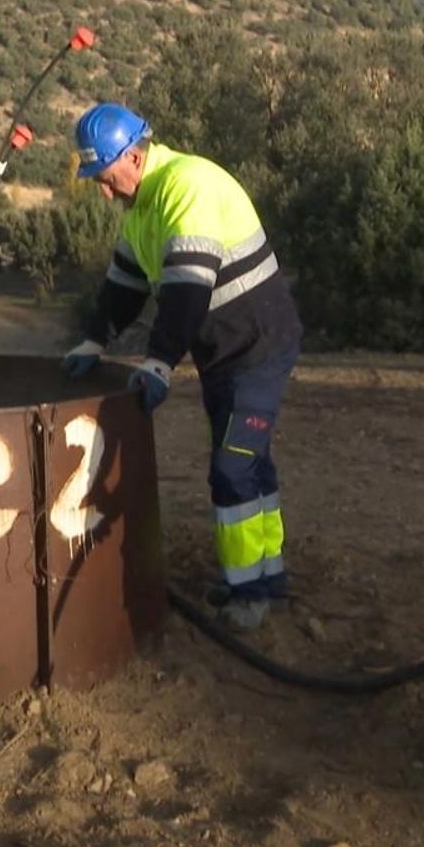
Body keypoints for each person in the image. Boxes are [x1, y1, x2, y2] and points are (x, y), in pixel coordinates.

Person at [61, 103, 302, 632]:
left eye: (106, 179)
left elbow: (187, 292)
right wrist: (92, 340)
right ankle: (268, 574)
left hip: (256, 349)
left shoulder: (185, 186)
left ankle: (248, 594)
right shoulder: (143, 207)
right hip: (225, 352)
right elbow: (124, 285)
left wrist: (160, 363)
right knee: (249, 462)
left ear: (132, 156)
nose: (105, 192)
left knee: (233, 467)